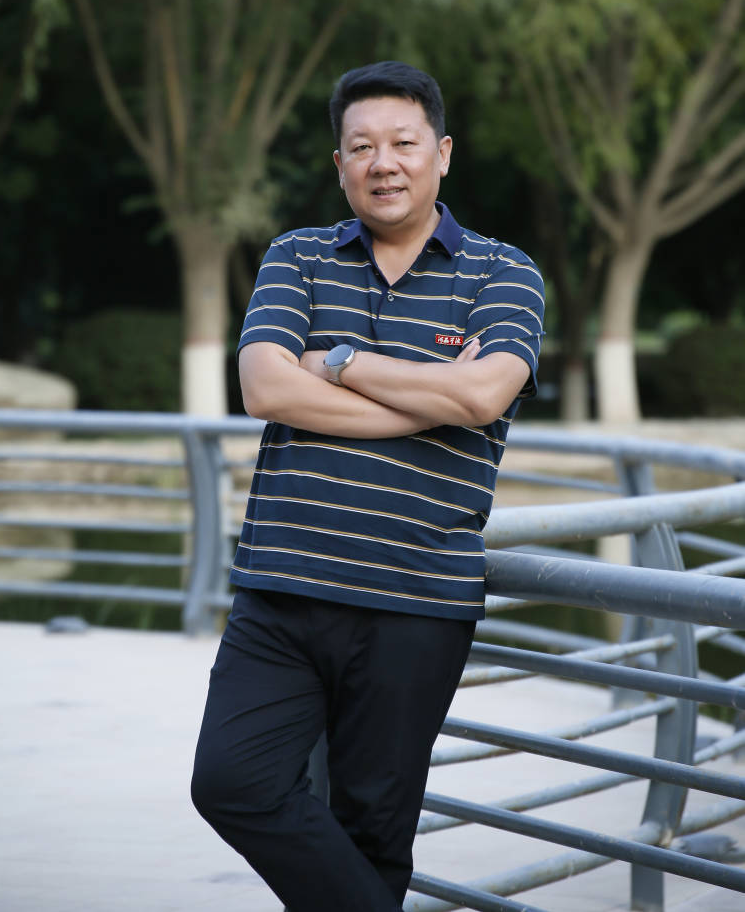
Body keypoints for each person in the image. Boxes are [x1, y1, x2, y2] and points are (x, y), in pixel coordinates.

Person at [191, 61, 544, 911]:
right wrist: (427, 403)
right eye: (361, 147)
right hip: (281, 590)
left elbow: (483, 395)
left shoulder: (504, 273)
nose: (383, 163)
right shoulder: (298, 255)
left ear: (442, 154)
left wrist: (341, 361)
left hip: (415, 602)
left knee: (373, 832)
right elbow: (265, 387)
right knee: (231, 781)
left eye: (403, 143)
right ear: (340, 162)